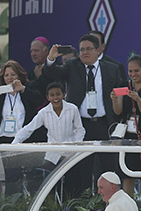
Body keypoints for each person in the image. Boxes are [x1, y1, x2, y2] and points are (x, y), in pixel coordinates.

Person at [45, 35, 126, 194]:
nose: (84, 52)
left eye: (88, 49)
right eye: (81, 49)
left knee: (108, 167)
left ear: (98, 50)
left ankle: (109, 202)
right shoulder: (72, 65)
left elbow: (122, 89)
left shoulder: (112, 68)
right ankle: (81, 203)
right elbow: (52, 74)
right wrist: (50, 58)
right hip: (80, 125)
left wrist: (118, 101)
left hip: (104, 124)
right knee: (81, 167)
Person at [111, 54, 141, 200]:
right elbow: (118, 111)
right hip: (128, 135)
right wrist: (114, 100)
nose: (133, 75)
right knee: (127, 175)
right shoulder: (124, 86)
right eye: (130, 71)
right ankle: (128, 210)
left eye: (136, 71)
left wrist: (138, 98)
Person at [0, 60, 44, 144]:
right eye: (6, 75)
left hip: (25, 139)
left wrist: (23, 89)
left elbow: (39, 101)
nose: (10, 78)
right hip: (4, 138)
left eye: (13, 75)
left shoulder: (29, 87)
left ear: (19, 76)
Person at [12, 82, 85, 145]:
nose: (55, 98)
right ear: (48, 97)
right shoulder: (43, 112)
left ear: (64, 94)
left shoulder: (73, 109)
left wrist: (75, 144)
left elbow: (80, 130)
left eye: (58, 94)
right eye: (52, 95)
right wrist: (15, 142)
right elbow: (28, 129)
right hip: (52, 151)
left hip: (70, 151)